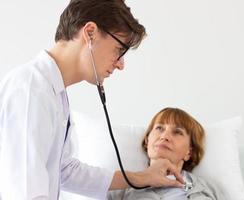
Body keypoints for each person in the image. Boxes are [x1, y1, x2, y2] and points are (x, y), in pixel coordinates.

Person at [0, 0, 184, 199]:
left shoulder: (53, 92)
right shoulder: (31, 89)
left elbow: (65, 170)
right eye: (119, 50)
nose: (121, 64)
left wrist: (141, 177)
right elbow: (26, 192)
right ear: (90, 33)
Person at [108, 107, 226, 200]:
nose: (165, 136)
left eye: (177, 132)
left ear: (189, 152)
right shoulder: (122, 188)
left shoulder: (209, 188)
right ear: (147, 141)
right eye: (159, 128)